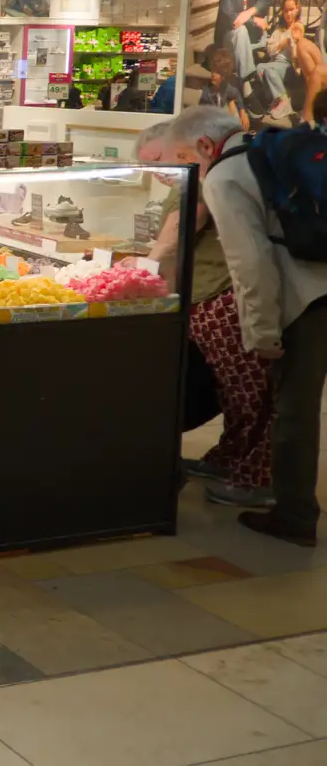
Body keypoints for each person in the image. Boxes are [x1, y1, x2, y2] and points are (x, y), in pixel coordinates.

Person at [166, 106, 327, 547]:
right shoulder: (266, 151)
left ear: (204, 145)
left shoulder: (224, 176)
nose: (185, 170)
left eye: (183, 157)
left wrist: (260, 333)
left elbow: (250, 263)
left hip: (306, 299)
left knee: (292, 408)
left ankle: (294, 515)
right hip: (320, 283)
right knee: (296, 404)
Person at [138, 122, 271, 506]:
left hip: (223, 295)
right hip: (220, 295)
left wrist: (145, 272)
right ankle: (230, 462)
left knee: (249, 394)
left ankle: (255, 481)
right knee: (241, 390)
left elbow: (181, 230)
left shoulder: (209, 176)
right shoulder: (234, 165)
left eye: (167, 159)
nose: (164, 170)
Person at [216, 0, 287, 119]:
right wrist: (254, 19)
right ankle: (247, 90)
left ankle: (273, 94)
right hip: (230, 36)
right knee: (240, 32)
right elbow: (232, 18)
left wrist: (250, 12)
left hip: (251, 34)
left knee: (257, 38)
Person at [268, 0, 325, 124]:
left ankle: (306, 119)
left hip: (288, 66)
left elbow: (293, 53)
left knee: (315, 74)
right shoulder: (279, 28)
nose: (288, 14)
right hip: (284, 61)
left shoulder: (297, 27)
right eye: (286, 10)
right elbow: (271, 48)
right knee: (303, 48)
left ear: (297, 9)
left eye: (292, 10)